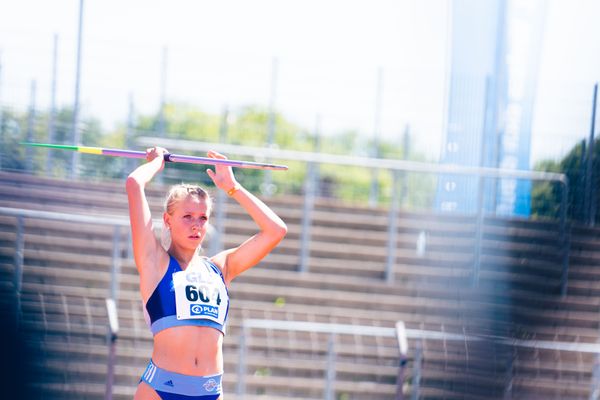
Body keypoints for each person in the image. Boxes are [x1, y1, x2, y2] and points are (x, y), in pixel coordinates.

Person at [126, 147, 287, 400]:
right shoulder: (154, 261)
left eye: (202, 217)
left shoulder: (220, 268)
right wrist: (157, 162)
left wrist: (232, 187)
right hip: (160, 391)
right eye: (187, 216)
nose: (196, 225)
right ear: (167, 220)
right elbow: (134, 183)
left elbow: (276, 230)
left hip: (210, 393)